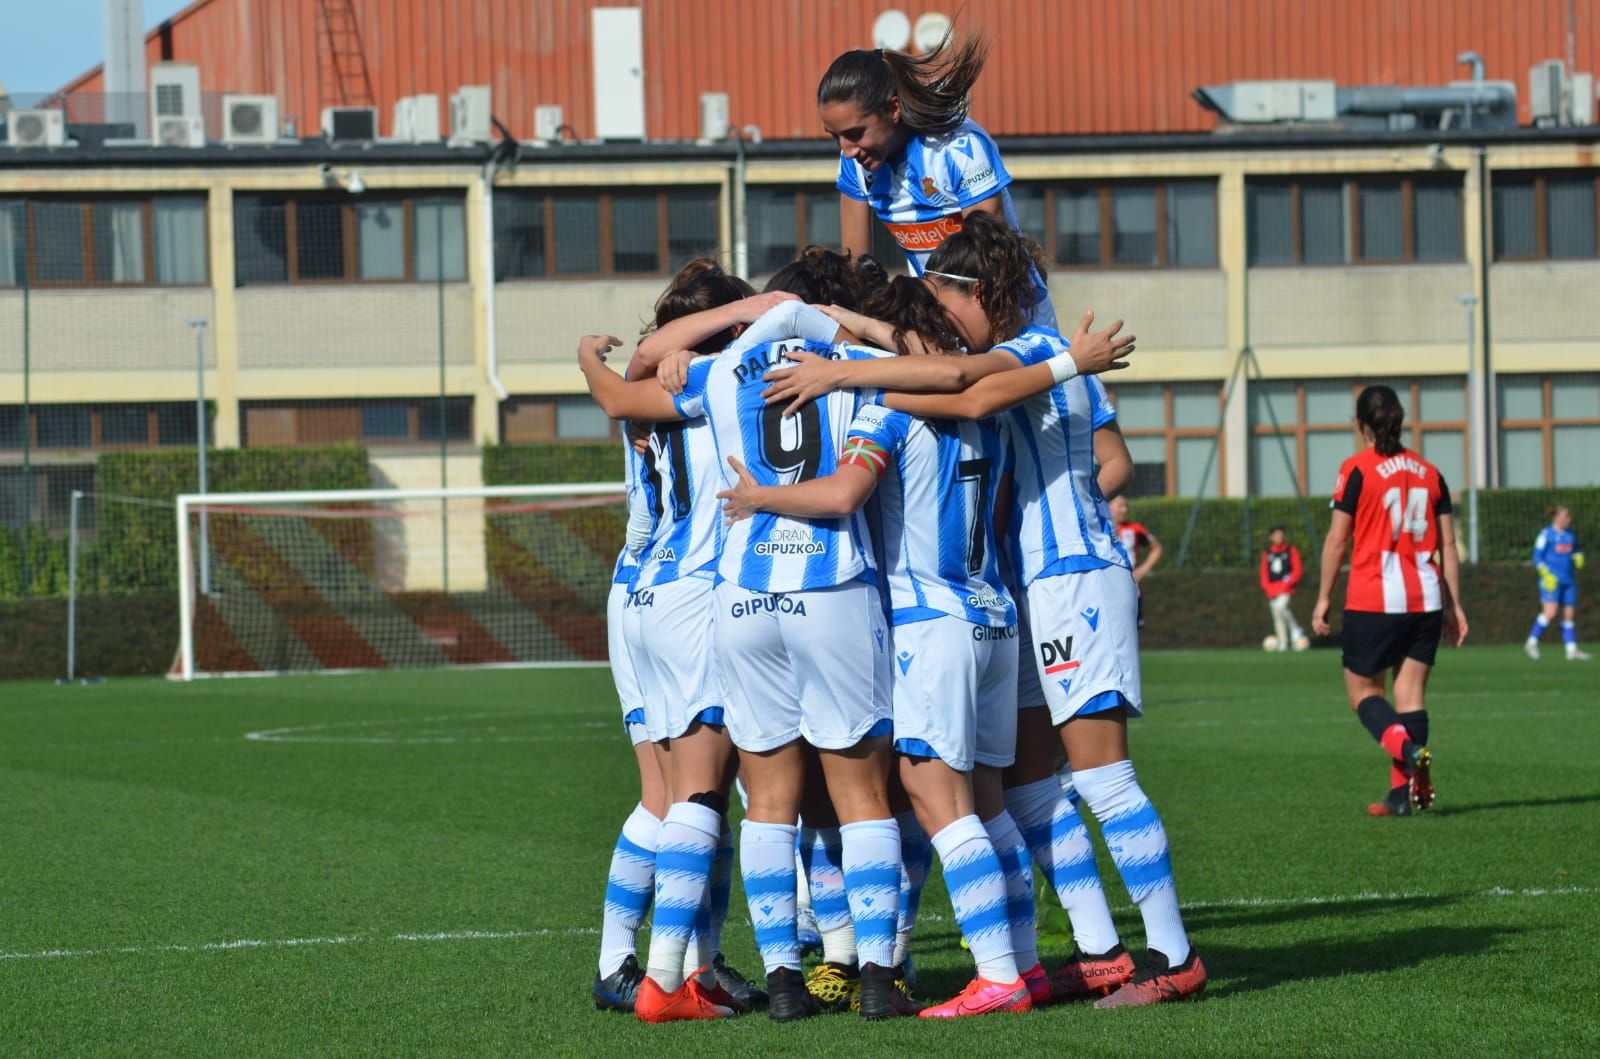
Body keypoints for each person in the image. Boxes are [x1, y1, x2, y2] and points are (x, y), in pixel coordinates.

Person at [764, 211, 1205, 1008]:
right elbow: (936, 365)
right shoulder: (1023, 354)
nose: (934, 309)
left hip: (1070, 575)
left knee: (1102, 779)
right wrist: (853, 327)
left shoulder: (1036, 350)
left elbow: (962, 393)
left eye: (942, 290)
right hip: (1020, 587)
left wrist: (838, 373)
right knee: (1031, 786)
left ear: (982, 292)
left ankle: (1172, 956)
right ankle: (1098, 948)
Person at [579, 302, 972, 1022]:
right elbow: (947, 367)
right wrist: (856, 330)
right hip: (831, 587)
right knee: (860, 795)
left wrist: (588, 353)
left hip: (741, 595)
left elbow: (617, 390)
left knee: (764, 802)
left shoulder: (719, 371)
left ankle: (783, 980)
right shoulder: (850, 366)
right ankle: (879, 973)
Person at [717, 273, 1080, 1017]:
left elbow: (843, 494)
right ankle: (1013, 961)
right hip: (991, 615)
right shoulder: (987, 405)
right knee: (986, 805)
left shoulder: (877, 403)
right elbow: (951, 379)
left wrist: (756, 497)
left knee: (917, 800)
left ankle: (968, 971)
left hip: (911, 618)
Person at [599, 262, 779, 1023]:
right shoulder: (723, 383)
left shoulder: (656, 385)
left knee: (665, 795)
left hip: (636, 590)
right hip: (694, 595)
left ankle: (635, 960)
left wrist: (596, 356)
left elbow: (632, 369)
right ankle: (673, 978)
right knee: (704, 795)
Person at [818, 31, 1056, 328]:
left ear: (893, 110)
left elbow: (987, 255)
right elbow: (856, 268)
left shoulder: (959, 146)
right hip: (937, 322)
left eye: (854, 133)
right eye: (835, 137)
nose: (846, 149)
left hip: (1010, 315)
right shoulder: (855, 163)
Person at [1312, 385, 1469, 818]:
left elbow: (1336, 539)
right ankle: (1401, 797)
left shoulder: (1357, 469)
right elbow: (1449, 546)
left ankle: (1408, 748)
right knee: (1410, 692)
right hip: (1426, 599)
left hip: (1374, 598)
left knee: (1363, 694)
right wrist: (1455, 606)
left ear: (1361, 424)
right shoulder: (1431, 472)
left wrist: (1323, 598)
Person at [1525, 506, 1589, 661]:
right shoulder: (1546, 535)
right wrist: (1546, 574)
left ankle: (1571, 649)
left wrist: (1579, 557)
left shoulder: (1570, 535)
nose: (1569, 519)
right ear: (1557, 518)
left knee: (1568, 615)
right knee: (1550, 612)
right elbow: (1537, 557)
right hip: (1552, 580)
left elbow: (1576, 551)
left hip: (1569, 580)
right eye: (1566, 516)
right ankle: (1531, 642)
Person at [1109, 495, 1160, 629]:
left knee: (1132, 629)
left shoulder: (1134, 529)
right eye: (1120, 506)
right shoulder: (1098, 528)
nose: (1124, 510)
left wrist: (1143, 570)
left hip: (1130, 587)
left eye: (1126, 506)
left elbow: (1156, 548)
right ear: (1108, 506)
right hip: (1107, 586)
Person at [1259, 525, 1309, 652]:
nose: (1278, 537)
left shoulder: (1290, 550)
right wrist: (1267, 588)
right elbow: (1264, 573)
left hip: (1286, 589)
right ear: (1271, 537)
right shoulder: (1267, 553)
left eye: (1280, 534)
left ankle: (1295, 629)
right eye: (1276, 535)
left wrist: (1286, 584)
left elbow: (1297, 570)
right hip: (1272, 590)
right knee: (1277, 616)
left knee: (1281, 608)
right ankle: (1283, 643)